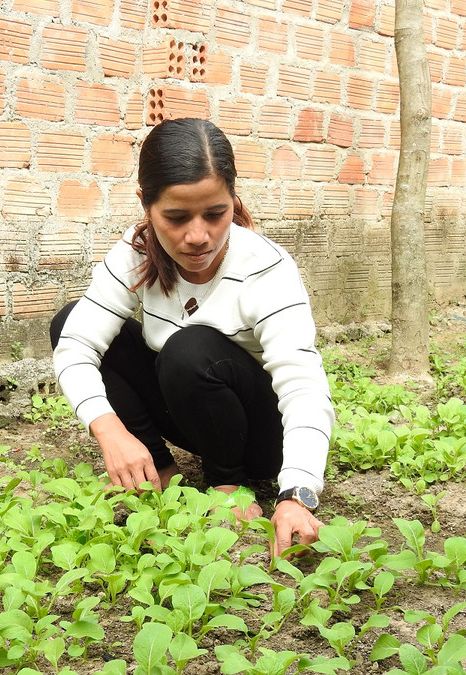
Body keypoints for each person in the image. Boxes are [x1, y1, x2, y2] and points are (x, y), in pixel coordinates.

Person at [50, 118, 334, 558]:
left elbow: (303, 387)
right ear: (146, 203)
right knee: (69, 320)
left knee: (190, 348)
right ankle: (155, 469)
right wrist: (110, 432)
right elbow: (76, 346)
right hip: (193, 411)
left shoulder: (265, 268)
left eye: (216, 214)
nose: (198, 236)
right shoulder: (136, 251)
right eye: (176, 217)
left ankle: (229, 484)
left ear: (233, 199)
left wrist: (298, 492)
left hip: (259, 435)